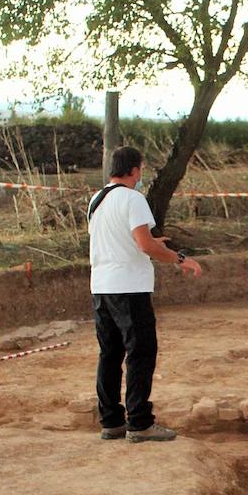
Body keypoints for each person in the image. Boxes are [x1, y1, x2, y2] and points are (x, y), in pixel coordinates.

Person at [88, 146, 202, 442]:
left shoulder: (97, 199)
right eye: (141, 170)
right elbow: (144, 245)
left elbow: (122, 239)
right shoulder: (133, 199)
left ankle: (111, 421)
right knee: (140, 353)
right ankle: (140, 423)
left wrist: (152, 241)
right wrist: (178, 258)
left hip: (102, 287)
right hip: (130, 288)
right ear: (135, 170)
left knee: (110, 354)